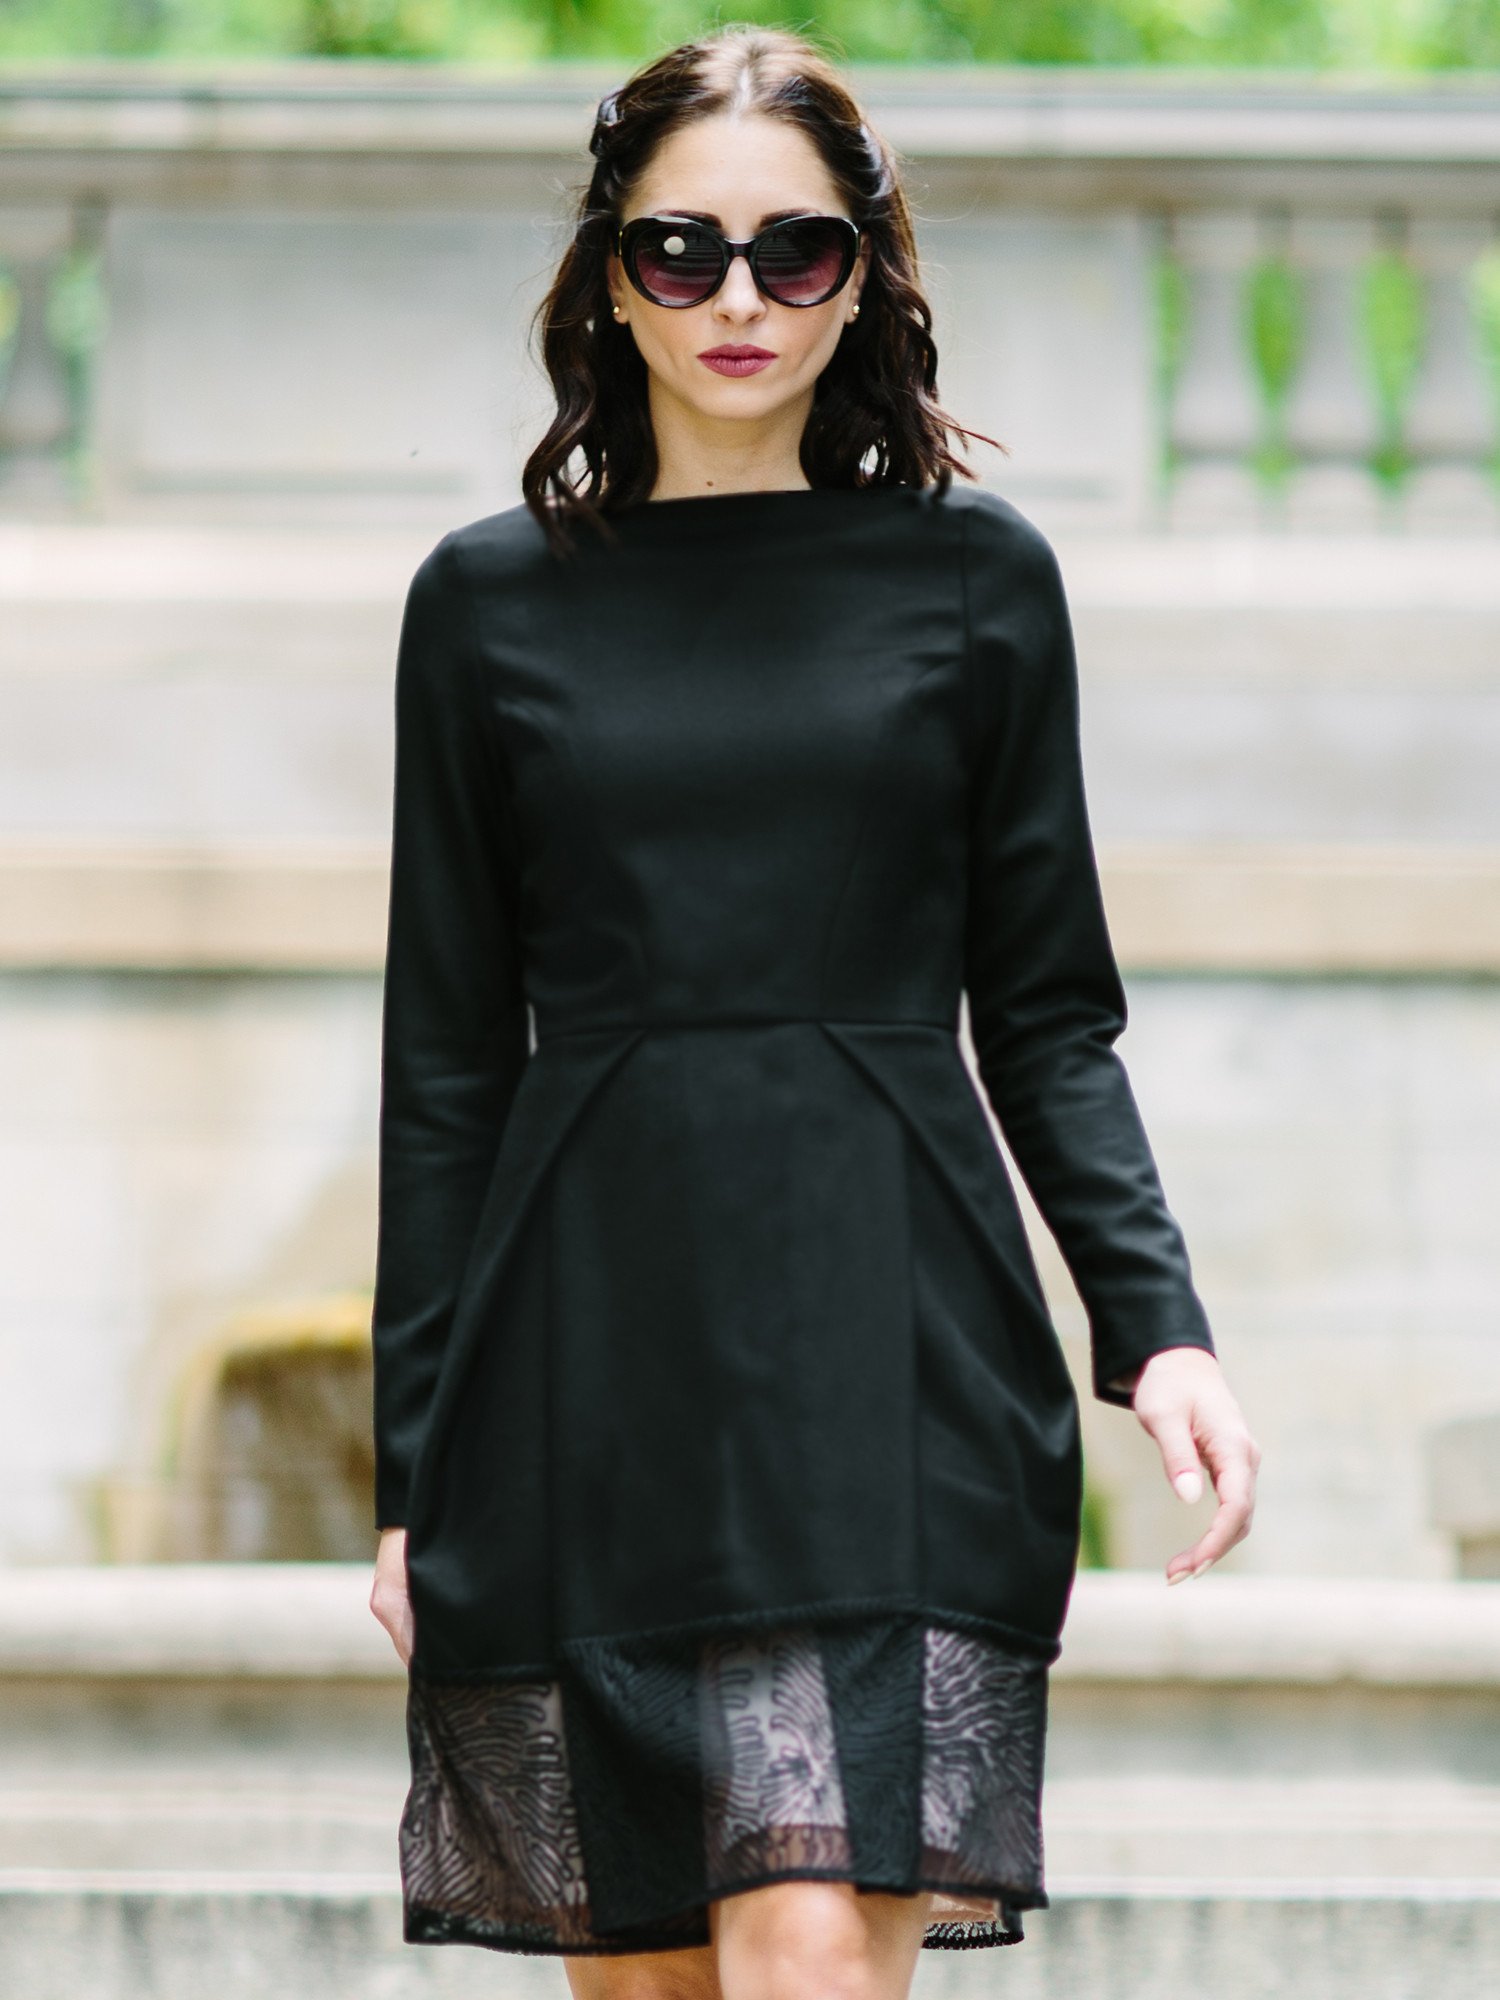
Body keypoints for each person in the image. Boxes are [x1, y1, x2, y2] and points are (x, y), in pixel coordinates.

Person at [367, 23, 1261, 2000]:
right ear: (613, 268)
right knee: (654, 1974)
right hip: (584, 1355)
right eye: (685, 251)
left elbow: (1047, 1013)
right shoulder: (486, 604)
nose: (742, 300)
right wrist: (412, 1466)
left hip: (894, 1341)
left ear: (868, 272)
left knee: (798, 1944)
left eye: (799, 252)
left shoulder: (977, 586)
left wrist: (1159, 1327)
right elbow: (441, 1068)